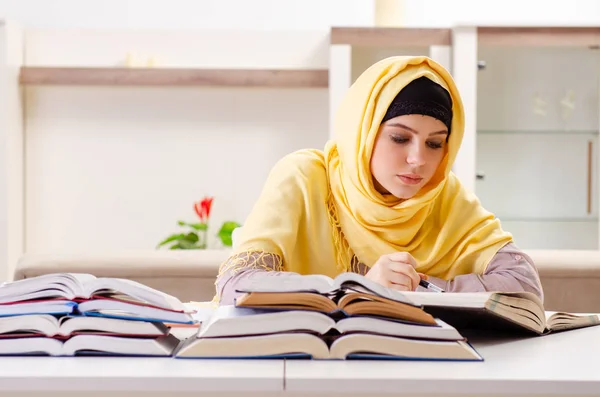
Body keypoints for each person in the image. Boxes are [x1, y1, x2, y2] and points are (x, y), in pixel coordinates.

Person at [213, 55, 543, 305]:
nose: (419, 160)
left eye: (434, 143)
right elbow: (238, 283)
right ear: (363, 134)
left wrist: (415, 290)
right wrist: (358, 289)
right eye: (399, 138)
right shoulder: (304, 177)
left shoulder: (443, 195)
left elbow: (524, 285)